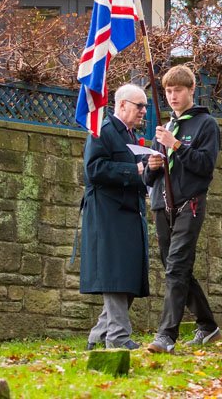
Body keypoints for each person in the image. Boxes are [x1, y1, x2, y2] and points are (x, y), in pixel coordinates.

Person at [145, 65, 221, 354]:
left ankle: (166, 335)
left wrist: (176, 146)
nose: (172, 96)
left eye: (178, 90)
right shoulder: (165, 127)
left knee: (177, 265)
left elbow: (205, 166)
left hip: (190, 203)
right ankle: (208, 326)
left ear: (191, 90)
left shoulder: (206, 124)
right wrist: (152, 166)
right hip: (162, 204)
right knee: (174, 267)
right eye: (168, 91)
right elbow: (148, 178)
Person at [80, 84, 150, 351]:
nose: (144, 111)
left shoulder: (128, 134)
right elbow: (94, 169)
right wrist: (135, 170)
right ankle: (118, 337)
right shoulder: (103, 130)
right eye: (139, 106)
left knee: (128, 274)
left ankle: (99, 336)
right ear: (122, 105)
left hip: (128, 213)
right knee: (117, 275)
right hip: (108, 215)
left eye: (145, 106)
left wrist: (149, 170)